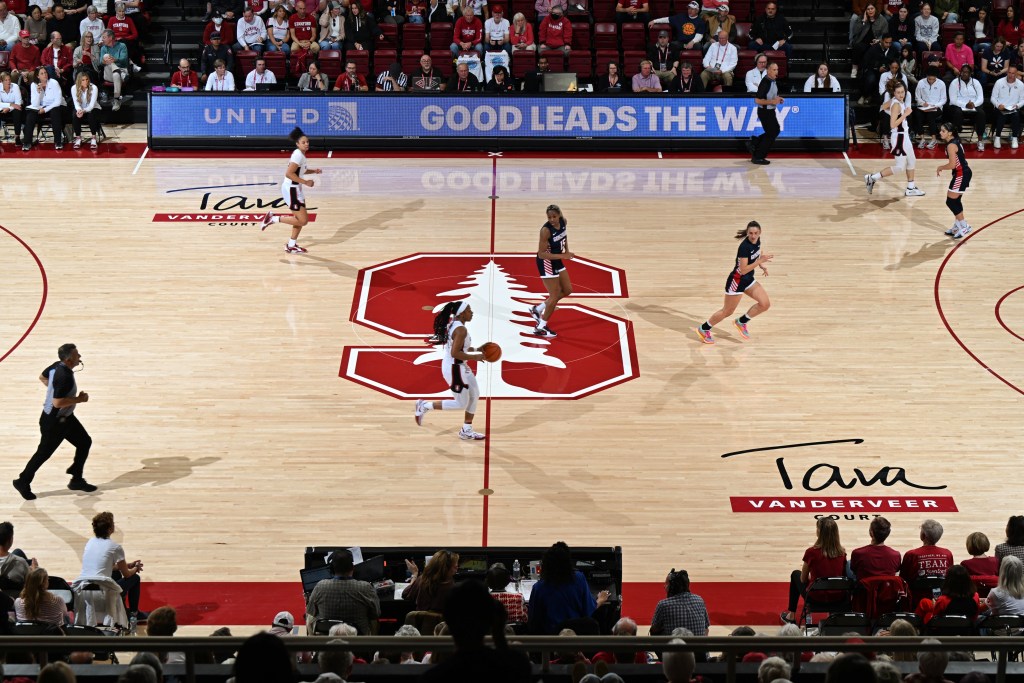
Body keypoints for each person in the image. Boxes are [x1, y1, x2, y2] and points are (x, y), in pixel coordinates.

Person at [13, 344, 95, 499]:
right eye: (77, 355)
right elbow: (57, 403)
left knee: (85, 442)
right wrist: (79, 399)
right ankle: (22, 480)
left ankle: (76, 479)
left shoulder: (57, 366)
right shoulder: (64, 376)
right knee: (43, 453)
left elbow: (43, 377)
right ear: (70, 359)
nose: (80, 357)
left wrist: (53, 390)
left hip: (66, 418)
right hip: (54, 422)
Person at [420, 579, 532, 683]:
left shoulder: (432, 677)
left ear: (448, 622)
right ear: (490, 621)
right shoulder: (515, 665)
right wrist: (500, 638)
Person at [414, 303, 487, 439]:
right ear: (461, 314)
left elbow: (460, 349)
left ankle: (466, 430)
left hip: (460, 366)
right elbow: (455, 353)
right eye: (469, 310)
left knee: (474, 394)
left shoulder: (454, 325)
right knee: (460, 404)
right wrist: (475, 357)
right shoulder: (460, 330)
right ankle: (424, 406)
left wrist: (477, 349)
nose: (472, 313)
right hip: (455, 368)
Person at [697, 221, 772, 344]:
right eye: (751, 233)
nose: (753, 236)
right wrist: (759, 262)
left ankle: (741, 322)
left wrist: (761, 264)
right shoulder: (744, 247)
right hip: (737, 281)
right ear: (747, 233)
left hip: (748, 280)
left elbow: (756, 254)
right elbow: (743, 270)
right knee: (727, 311)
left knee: (765, 304)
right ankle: (703, 329)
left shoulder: (757, 241)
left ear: (760, 232)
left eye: (756, 233)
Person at [526, 542, 610, 635]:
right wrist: (600, 600)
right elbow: (588, 610)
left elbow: (533, 622)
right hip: (576, 638)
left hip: (551, 641)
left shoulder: (539, 588)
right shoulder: (579, 578)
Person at [76, 511, 146, 620]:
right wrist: (135, 568)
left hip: (86, 588)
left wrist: (127, 565)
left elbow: (107, 566)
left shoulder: (90, 542)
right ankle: (134, 614)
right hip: (104, 590)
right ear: (109, 529)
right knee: (135, 578)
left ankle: (121, 607)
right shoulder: (115, 547)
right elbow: (127, 575)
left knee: (116, 573)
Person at [261, 127, 321, 254]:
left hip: (296, 189)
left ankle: (291, 245)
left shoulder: (300, 155)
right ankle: (273, 219)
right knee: (303, 220)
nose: (306, 144)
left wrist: (314, 171)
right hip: (291, 190)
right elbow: (289, 173)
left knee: (299, 218)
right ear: (297, 144)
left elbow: (301, 170)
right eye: (303, 142)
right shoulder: (298, 155)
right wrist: (306, 182)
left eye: (307, 142)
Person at [780, 517, 849, 624]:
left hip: (816, 598)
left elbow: (803, 580)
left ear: (820, 532)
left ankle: (791, 616)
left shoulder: (811, 552)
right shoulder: (842, 552)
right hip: (838, 598)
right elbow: (841, 576)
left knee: (795, 574)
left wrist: (811, 579)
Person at [865, 82, 925, 198]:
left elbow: (882, 107)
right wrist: (905, 114)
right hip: (899, 137)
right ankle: (872, 178)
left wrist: (890, 107)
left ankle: (910, 188)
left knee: (912, 160)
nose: (901, 94)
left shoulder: (894, 101)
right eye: (898, 93)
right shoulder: (896, 105)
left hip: (904, 135)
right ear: (894, 93)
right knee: (900, 167)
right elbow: (892, 125)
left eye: (903, 92)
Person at [305, 549, 380, 634]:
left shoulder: (320, 586)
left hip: (328, 641)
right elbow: (376, 614)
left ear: (332, 569)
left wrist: (308, 600)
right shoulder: (366, 588)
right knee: (374, 620)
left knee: (310, 616)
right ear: (352, 567)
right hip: (359, 642)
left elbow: (310, 611)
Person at [528, 204, 574, 339]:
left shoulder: (563, 222)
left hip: (557, 258)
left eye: (554, 216)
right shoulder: (545, 231)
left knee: (567, 290)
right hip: (546, 261)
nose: (552, 219)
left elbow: (564, 237)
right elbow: (541, 254)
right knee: (554, 296)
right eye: (549, 217)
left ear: (559, 215)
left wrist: (566, 250)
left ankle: (538, 309)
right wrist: (563, 256)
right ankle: (540, 327)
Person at [901, 519, 955, 604]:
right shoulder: (947, 554)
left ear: (923, 535)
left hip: (916, 600)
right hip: (941, 601)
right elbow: (949, 578)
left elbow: (903, 580)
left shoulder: (911, 555)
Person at [934, 121, 973, 240]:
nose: (940, 133)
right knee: (955, 200)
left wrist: (940, 167)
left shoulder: (951, 145)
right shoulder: (954, 141)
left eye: (943, 131)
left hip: (961, 174)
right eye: (940, 130)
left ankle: (964, 226)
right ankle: (957, 226)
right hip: (962, 173)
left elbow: (952, 165)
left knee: (950, 201)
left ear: (950, 133)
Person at [649, 568, 710, 636]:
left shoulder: (664, 605)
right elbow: (706, 629)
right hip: (698, 645)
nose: (664, 586)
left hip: (675, 645)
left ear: (672, 587)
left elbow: (654, 630)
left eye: (666, 583)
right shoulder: (699, 600)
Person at [915, 564, 981, 623]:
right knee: (925, 602)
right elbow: (975, 615)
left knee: (927, 612)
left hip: (944, 630)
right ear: (968, 579)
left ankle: (916, 628)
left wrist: (936, 605)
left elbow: (935, 619)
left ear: (948, 581)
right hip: (968, 628)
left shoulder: (942, 600)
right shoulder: (975, 596)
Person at [748, 61, 782, 165]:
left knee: (774, 131)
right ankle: (758, 156)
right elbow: (757, 100)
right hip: (764, 112)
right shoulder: (765, 82)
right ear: (768, 71)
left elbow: (770, 96)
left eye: (777, 69)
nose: (776, 72)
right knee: (772, 132)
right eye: (774, 69)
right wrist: (772, 101)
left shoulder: (772, 81)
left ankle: (754, 142)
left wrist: (777, 99)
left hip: (770, 111)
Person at [990, 64, 1024, 148]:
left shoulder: (1021, 85)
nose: (1011, 75)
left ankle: (1015, 139)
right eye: (1009, 72)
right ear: (1006, 73)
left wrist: (1017, 105)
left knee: (1016, 116)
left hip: (1014, 108)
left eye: (1013, 73)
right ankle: (997, 138)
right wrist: (998, 105)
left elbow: (1023, 100)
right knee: (1001, 115)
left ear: (1016, 74)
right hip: (1001, 108)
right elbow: (993, 98)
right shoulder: (999, 82)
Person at [851, 3, 887, 79]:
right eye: (868, 9)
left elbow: (885, 34)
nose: (870, 11)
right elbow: (855, 31)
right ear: (865, 11)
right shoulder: (861, 18)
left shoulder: (882, 19)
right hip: (863, 42)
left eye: (872, 9)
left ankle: (865, 71)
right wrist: (863, 21)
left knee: (873, 49)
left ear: (875, 10)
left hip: (875, 43)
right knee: (857, 46)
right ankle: (855, 68)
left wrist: (878, 40)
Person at [99, 27, 129, 110]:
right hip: (108, 73)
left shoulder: (122, 46)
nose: (102, 39)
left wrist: (115, 59)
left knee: (116, 74)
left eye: (104, 37)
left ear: (111, 38)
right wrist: (105, 61)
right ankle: (120, 73)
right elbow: (100, 62)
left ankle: (116, 100)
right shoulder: (103, 48)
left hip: (122, 70)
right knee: (105, 56)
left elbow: (124, 60)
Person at [70, 71, 101, 150]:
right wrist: (79, 110)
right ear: (79, 81)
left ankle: (94, 138)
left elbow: (91, 106)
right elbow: (76, 104)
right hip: (81, 108)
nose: (85, 81)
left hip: (94, 108)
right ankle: (78, 138)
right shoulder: (74, 88)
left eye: (87, 79)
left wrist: (83, 111)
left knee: (91, 115)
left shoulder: (93, 87)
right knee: (74, 115)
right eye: (83, 80)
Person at [916, 67, 945, 148]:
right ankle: (922, 139)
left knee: (930, 115)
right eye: (929, 79)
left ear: (936, 77)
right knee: (918, 115)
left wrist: (935, 106)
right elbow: (917, 97)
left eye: (933, 79)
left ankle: (934, 139)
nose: (931, 81)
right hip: (924, 106)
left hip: (936, 107)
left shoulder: (941, 84)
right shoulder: (921, 83)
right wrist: (922, 103)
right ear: (926, 76)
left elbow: (943, 99)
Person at [0, 521, 34, 588]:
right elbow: (31, 584)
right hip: (14, 595)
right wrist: (34, 570)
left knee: (18, 551)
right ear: (10, 540)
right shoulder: (20, 562)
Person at [0, 71, 24, 146]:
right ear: (1, 81)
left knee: (17, 111)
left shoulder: (15, 86)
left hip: (14, 109)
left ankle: (17, 137)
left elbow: (18, 102)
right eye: (6, 80)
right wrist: (10, 104)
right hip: (3, 109)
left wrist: (9, 108)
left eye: (9, 79)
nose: (8, 82)